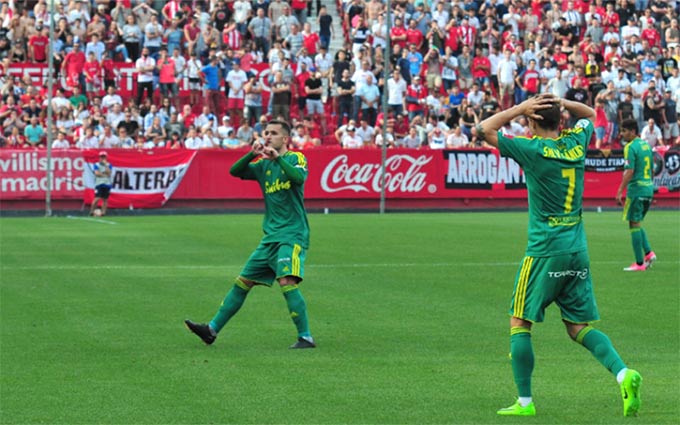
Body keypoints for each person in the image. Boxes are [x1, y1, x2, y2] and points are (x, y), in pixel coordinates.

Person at [476, 94, 642, 417]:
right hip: (577, 250)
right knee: (578, 326)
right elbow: (591, 112)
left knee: (519, 320)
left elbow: (483, 130)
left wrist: (520, 108)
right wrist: (563, 102)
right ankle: (624, 374)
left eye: (528, 119)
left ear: (534, 122)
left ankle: (524, 403)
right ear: (561, 121)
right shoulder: (576, 143)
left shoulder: (533, 150)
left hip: (544, 251)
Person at [185, 120, 315, 349]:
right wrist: (250, 154)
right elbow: (234, 171)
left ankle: (306, 337)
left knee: (286, 281)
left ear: (285, 139)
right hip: (270, 237)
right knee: (243, 282)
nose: (268, 137)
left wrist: (278, 158)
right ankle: (211, 330)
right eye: (266, 133)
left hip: (292, 234)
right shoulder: (262, 166)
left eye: (273, 133)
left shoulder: (295, 158)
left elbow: (298, 178)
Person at [616, 119, 657, 271]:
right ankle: (649, 253)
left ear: (633, 131)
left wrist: (620, 190)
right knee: (637, 222)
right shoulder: (646, 145)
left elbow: (630, 171)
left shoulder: (630, 147)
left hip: (637, 190)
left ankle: (639, 263)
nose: (622, 134)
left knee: (633, 223)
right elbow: (653, 170)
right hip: (648, 189)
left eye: (624, 131)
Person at [90, 151, 113, 216]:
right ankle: (92, 211)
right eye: (101, 157)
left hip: (107, 184)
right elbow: (97, 173)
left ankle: (103, 213)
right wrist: (104, 174)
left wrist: (105, 165)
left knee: (105, 199)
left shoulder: (109, 165)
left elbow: (109, 173)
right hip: (99, 183)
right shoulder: (96, 164)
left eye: (104, 157)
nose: (102, 158)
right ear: (99, 157)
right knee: (97, 198)